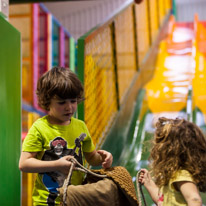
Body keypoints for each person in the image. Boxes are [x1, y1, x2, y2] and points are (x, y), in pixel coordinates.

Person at [19, 66, 113, 206]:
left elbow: (92, 158)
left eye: (73, 101)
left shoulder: (80, 126)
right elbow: (24, 164)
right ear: (47, 101)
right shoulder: (40, 128)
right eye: (62, 102)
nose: (69, 107)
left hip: (75, 198)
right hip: (47, 201)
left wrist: (104, 158)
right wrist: (56, 164)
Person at [138, 117, 206, 206]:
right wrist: (149, 183)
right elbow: (161, 201)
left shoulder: (181, 175)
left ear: (171, 150)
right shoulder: (171, 175)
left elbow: (194, 199)